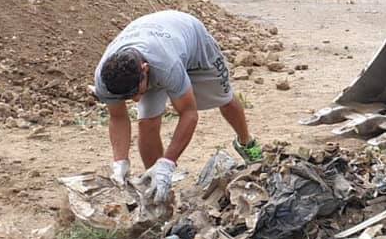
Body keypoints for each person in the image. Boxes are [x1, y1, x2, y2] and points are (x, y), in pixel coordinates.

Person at [93, 11, 262, 203]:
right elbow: (118, 117)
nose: (135, 100)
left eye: (136, 93)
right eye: (127, 96)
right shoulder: (104, 79)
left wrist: (168, 163)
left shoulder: (167, 65)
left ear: (145, 70)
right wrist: (120, 162)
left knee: (224, 98)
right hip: (153, 43)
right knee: (147, 123)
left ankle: (247, 142)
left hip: (192, 40)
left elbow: (189, 113)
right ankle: (158, 190)